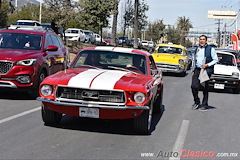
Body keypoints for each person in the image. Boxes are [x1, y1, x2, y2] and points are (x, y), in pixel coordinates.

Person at [191, 35, 218, 111]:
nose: (202, 41)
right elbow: (194, 59)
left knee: (204, 88)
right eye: (200, 39)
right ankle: (197, 101)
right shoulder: (197, 49)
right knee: (194, 86)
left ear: (206, 41)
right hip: (197, 69)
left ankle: (205, 104)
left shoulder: (210, 49)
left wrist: (207, 65)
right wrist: (193, 70)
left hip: (205, 70)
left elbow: (215, 60)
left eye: (203, 39)